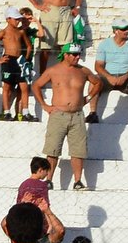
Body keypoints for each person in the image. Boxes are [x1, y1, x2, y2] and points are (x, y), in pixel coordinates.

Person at [32, 44, 100, 190]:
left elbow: (97, 82)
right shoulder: (53, 70)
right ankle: (49, 180)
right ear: (65, 55)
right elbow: (36, 85)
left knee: (78, 150)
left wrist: (88, 97)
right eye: (74, 54)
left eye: (78, 54)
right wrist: (44, 105)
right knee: (53, 149)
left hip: (77, 115)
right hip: (58, 114)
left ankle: (78, 181)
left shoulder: (83, 71)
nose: (77, 57)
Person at [88, 19, 128, 124]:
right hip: (108, 77)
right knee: (93, 79)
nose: (126, 31)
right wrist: (109, 77)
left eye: (127, 28)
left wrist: (125, 76)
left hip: (126, 78)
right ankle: (92, 113)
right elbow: (98, 66)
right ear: (115, 31)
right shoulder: (104, 44)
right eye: (123, 29)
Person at [0, 7, 36, 122]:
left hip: (20, 61)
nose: (18, 21)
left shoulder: (21, 32)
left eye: (19, 19)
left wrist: (26, 59)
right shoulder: (3, 32)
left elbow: (29, 46)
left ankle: (25, 112)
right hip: (8, 61)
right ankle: (6, 112)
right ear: (8, 19)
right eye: (16, 19)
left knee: (24, 87)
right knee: (7, 87)